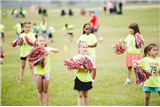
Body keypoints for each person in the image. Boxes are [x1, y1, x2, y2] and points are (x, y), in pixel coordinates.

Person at [26, 34, 59, 106]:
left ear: (45, 42)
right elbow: (26, 54)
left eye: (43, 41)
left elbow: (57, 50)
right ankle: (40, 105)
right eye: (40, 41)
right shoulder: (35, 50)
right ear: (37, 42)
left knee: (45, 90)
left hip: (46, 73)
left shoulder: (47, 49)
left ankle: (46, 104)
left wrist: (50, 50)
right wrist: (34, 52)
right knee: (39, 89)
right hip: (37, 73)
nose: (42, 42)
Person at [72, 41, 93, 106]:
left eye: (86, 47)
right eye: (83, 47)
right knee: (80, 94)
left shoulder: (89, 57)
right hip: (79, 78)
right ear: (79, 48)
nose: (85, 48)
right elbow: (72, 66)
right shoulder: (76, 57)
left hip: (87, 78)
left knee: (86, 94)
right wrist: (79, 66)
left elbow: (90, 67)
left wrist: (83, 67)